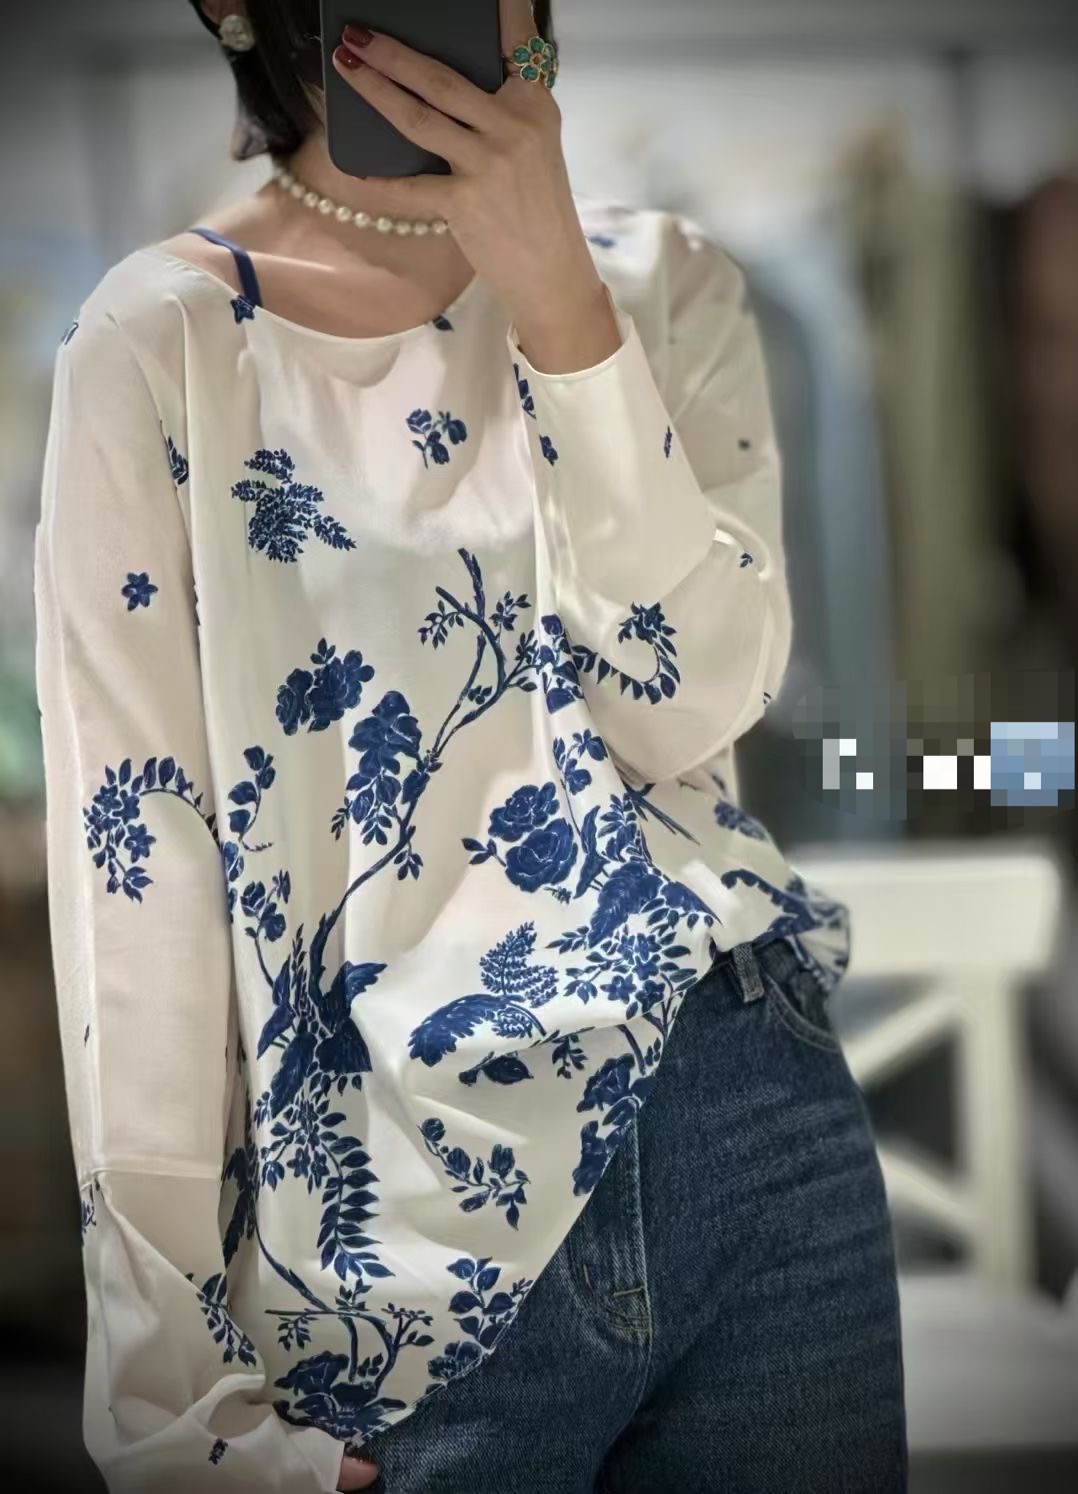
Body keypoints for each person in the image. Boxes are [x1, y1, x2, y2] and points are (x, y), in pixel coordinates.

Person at [32, 1, 907, 1489]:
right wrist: (170, 1398)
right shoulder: (162, 338)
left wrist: (560, 296)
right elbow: (139, 863)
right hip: (393, 1223)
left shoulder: (667, 282)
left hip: (746, 1108)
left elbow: (689, 700)